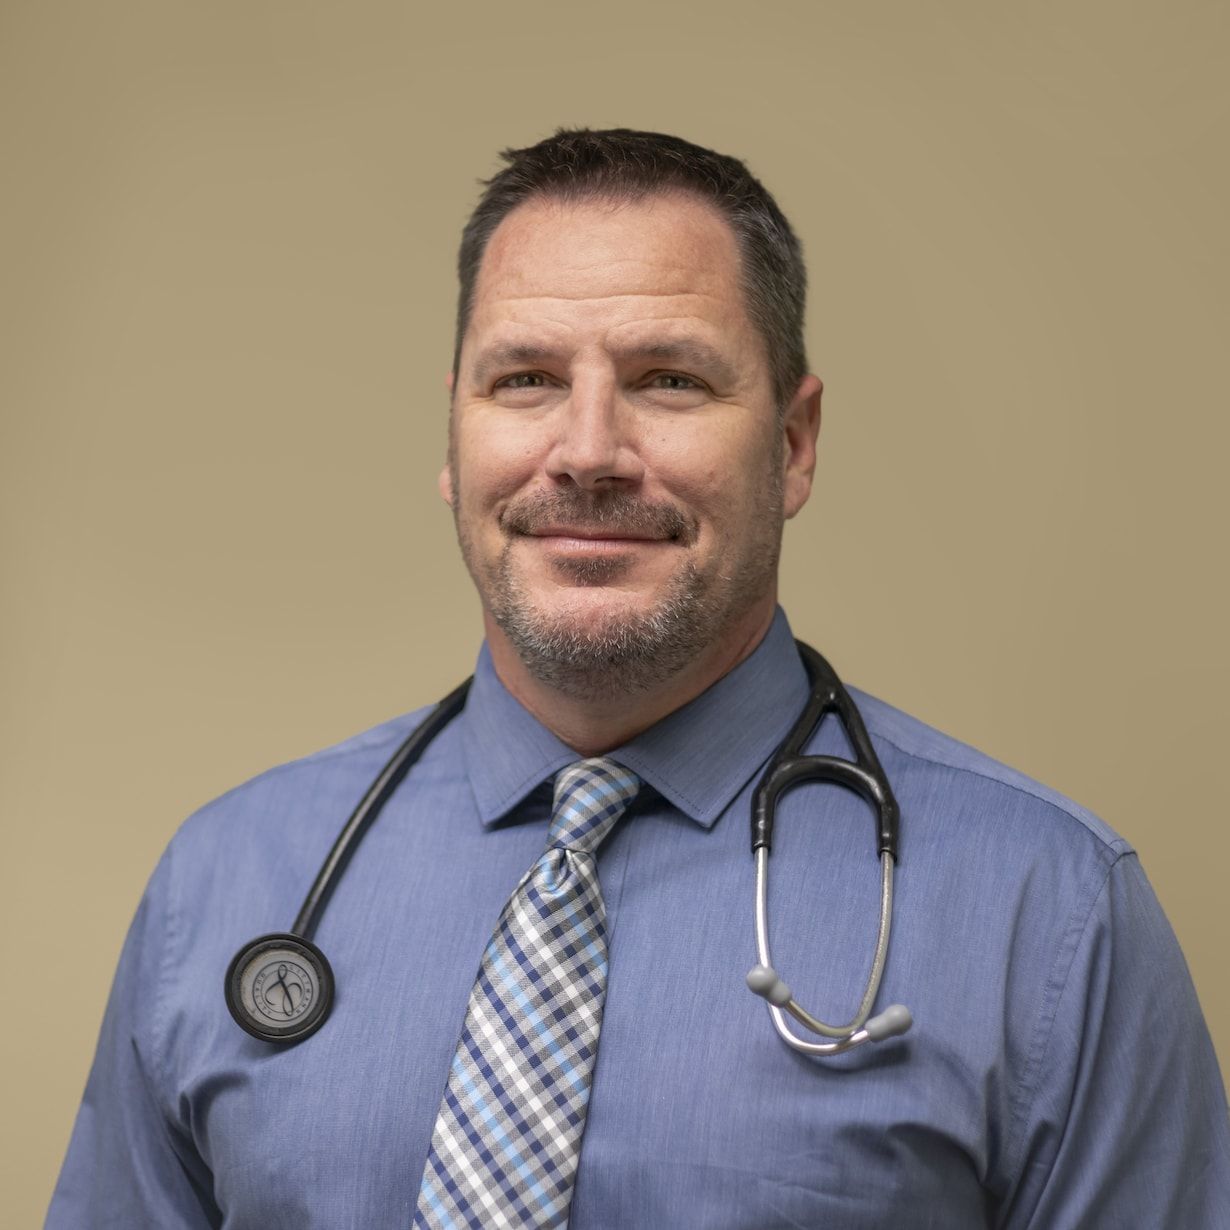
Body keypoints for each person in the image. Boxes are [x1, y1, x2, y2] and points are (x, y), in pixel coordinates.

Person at [48, 128, 1228, 1229]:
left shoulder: (1049, 913)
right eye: (525, 380)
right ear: (453, 438)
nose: (588, 453)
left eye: (669, 380)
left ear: (793, 444)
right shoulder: (226, 882)